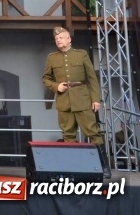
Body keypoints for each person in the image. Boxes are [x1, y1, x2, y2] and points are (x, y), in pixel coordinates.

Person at [42, 26, 111, 179]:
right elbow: (46, 78)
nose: (58, 40)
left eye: (61, 37)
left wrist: (95, 99)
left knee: (92, 132)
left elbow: (92, 78)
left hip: (82, 99)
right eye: (56, 39)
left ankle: (104, 167)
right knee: (68, 135)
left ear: (69, 39)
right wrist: (56, 86)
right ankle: (72, 169)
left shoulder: (81, 55)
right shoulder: (52, 58)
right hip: (64, 101)